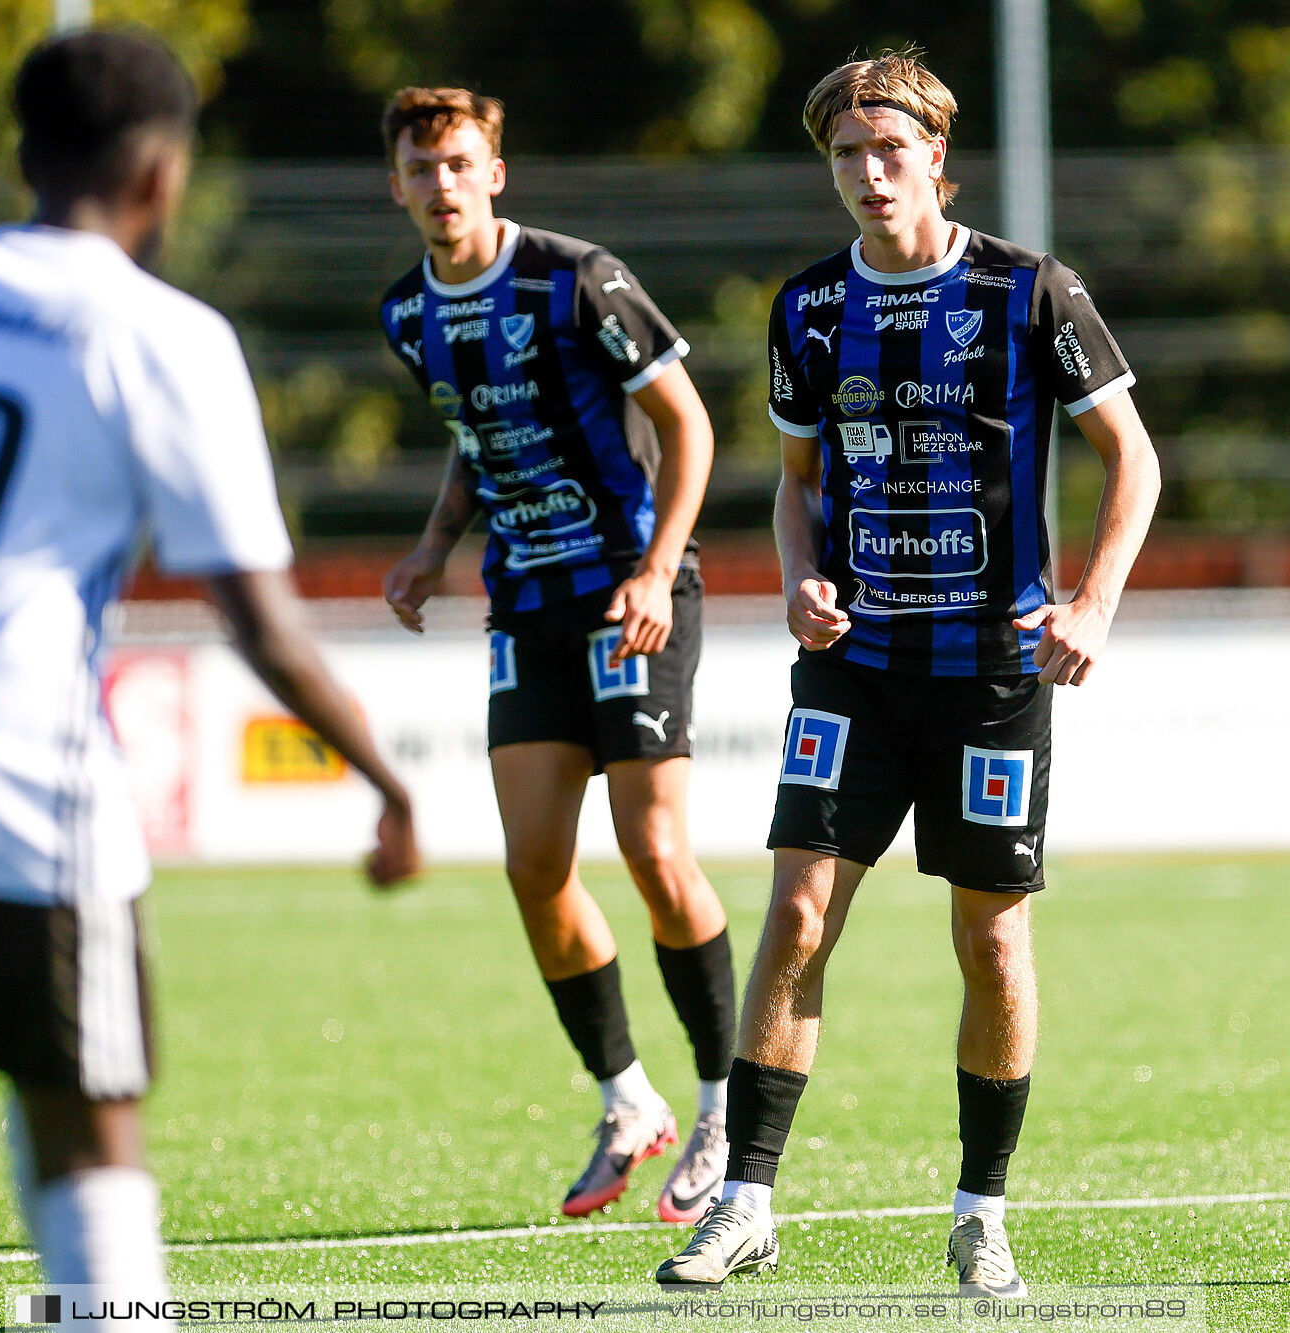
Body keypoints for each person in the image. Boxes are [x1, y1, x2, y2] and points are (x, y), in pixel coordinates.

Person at [0, 28, 418, 1328]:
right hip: (7, 769)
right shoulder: (161, 333)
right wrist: (387, 782)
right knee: (96, 1108)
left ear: (22, 152)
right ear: (163, 174)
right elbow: (259, 620)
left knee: (46, 1055)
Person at [657, 48, 1160, 1292]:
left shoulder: (1030, 293)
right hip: (852, 664)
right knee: (798, 911)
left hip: (992, 668)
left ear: (936, 155)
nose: (868, 174)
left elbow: (1132, 461)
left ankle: (980, 1209)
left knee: (989, 941)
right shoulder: (807, 309)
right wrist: (796, 581)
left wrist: (1091, 600)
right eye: (845, 155)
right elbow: (795, 487)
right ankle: (746, 1198)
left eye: (889, 151)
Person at [378, 87, 734, 1223]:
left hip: (632, 591)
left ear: (496, 172)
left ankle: (726, 1104)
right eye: (421, 168)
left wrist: (652, 569)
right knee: (534, 866)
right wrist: (434, 548)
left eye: (460, 164)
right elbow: (472, 436)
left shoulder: (576, 277)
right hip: (524, 600)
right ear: (397, 185)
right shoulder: (404, 312)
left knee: (654, 851)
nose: (442, 185)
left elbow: (688, 425)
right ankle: (629, 1099)